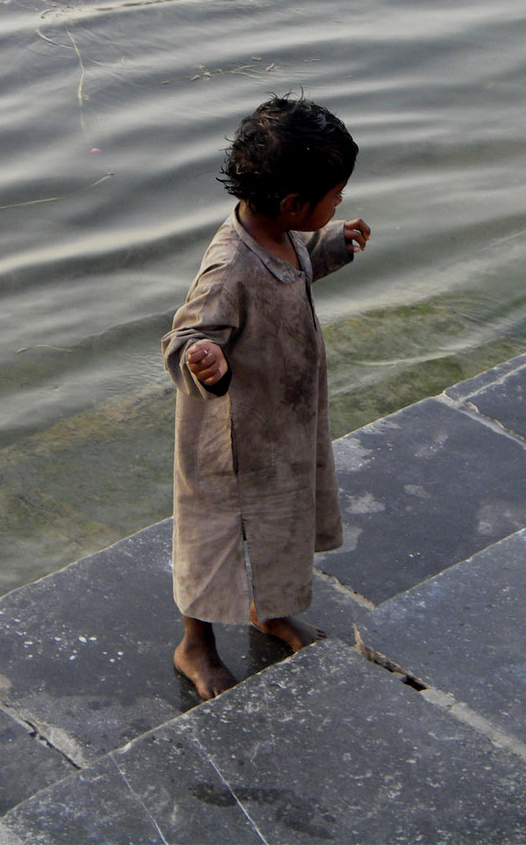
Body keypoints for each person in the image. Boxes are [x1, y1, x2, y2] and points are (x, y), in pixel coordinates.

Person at [161, 95, 370, 701]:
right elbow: (185, 335)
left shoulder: (282, 234)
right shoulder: (228, 267)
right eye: (334, 196)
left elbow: (298, 264)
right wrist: (205, 359)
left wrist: (333, 243)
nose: (338, 203)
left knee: (283, 520)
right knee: (213, 538)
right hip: (228, 436)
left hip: (283, 423)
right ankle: (194, 644)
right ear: (292, 204)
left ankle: (271, 610)